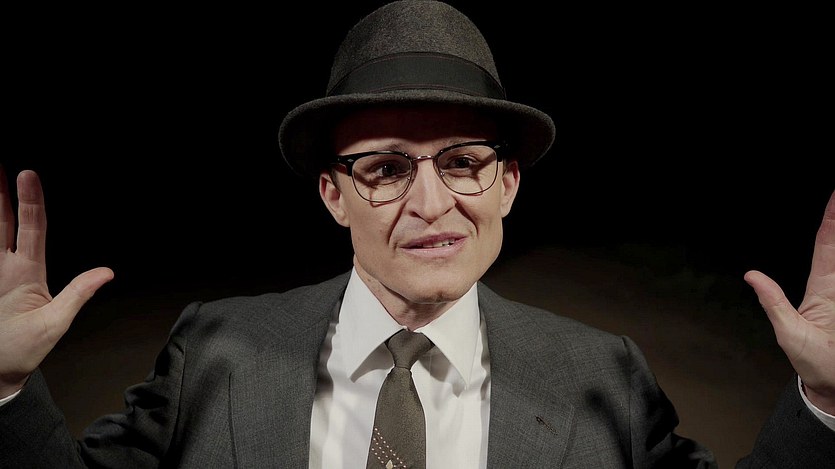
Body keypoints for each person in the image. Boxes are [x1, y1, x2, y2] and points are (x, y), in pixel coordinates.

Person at [1, 1, 833, 467]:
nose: (430, 203)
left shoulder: (602, 376)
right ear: (334, 194)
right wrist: (2, 384)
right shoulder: (214, 351)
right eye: (386, 168)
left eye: (463, 161)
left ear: (507, 184)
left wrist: (823, 402)